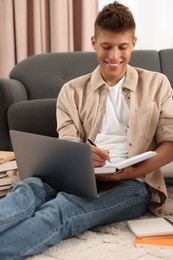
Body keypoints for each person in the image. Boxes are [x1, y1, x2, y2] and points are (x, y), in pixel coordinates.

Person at [0, 1, 173, 259]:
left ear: (134, 43)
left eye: (122, 47)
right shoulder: (71, 91)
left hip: (134, 184)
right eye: (106, 47)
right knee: (28, 189)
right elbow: (68, 143)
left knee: (62, 210)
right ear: (94, 42)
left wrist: (131, 172)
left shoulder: (157, 84)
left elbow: (170, 143)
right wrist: (82, 155)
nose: (114, 56)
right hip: (79, 177)